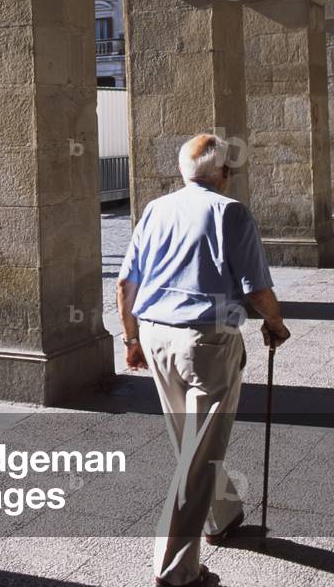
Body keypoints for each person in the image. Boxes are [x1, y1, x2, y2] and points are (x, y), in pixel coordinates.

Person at [117, 133, 290, 587]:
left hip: (155, 336)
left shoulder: (156, 209)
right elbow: (256, 288)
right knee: (197, 457)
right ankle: (174, 573)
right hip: (206, 343)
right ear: (223, 174)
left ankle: (222, 515)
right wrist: (276, 323)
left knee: (189, 441)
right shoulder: (230, 212)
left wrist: (130, 339)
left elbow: (125, 283)